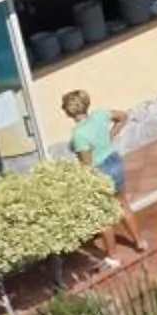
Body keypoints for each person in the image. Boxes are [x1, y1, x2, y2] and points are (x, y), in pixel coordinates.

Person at [61, 89, 148, 257]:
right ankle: (139, 242)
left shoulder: (78, 134)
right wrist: (110, 135)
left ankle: (112, 255)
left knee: (103, 215)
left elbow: (87, 164)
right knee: (123, 204)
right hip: (114, 161)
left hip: (100, 170)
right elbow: (123, 116)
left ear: (69, 111)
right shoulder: (100, 115)